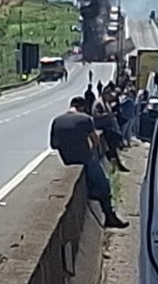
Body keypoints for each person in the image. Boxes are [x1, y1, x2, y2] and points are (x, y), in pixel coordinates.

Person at [49, 96, 129, 229]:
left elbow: (53, 145)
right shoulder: (85, 119)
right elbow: (95, 141)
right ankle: (110, 216)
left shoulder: (57, 121)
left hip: (66, 159)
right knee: (104, 185)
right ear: (82, 108)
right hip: (84, 159)